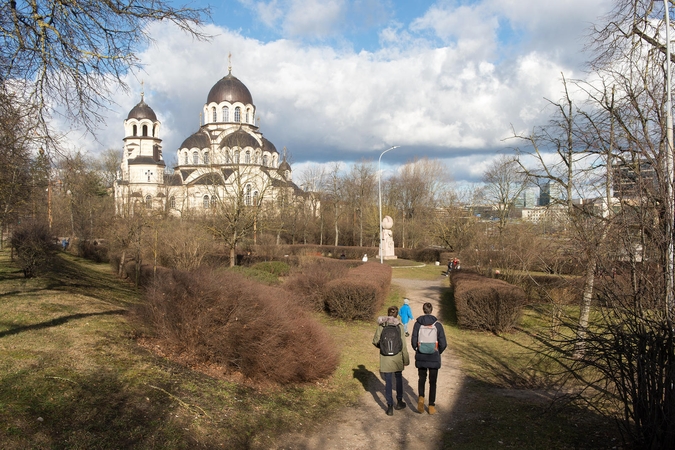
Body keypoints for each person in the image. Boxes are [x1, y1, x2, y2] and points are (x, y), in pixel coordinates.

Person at [372, 306, 410, 415]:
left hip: (385, 358)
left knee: (388, 381)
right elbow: (403, 346)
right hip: (397, 357)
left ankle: (389, 407)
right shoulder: (399, 327)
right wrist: (405, 360)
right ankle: (399, 401)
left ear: (387, 314)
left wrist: (383, 347)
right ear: (397, 315)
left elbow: (375, 341)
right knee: (398, 379)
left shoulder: (382, 326)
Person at [411, 302, 447, 415]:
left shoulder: (417, 324)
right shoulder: (438, 325)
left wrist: (418, 349)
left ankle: (421, 398)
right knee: (433, 382)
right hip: (434, 357)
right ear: (432, 310)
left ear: (423, 310)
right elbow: (443, 343)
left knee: (422, 379)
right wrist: (437, 351)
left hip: (421, 356)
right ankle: (431, 405)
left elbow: (413, 342)